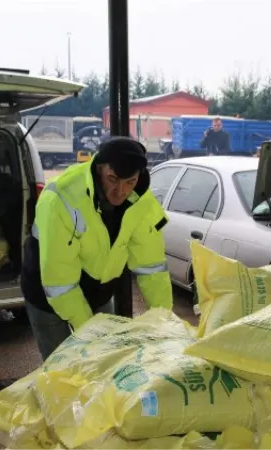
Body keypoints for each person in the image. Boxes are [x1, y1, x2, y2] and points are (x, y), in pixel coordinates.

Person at [21, 137, 173, 360]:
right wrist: (91, 334)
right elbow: (60, 282)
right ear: (99, 168)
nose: (120, 191)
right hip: (48, 291)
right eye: (113, 179)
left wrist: (164, 322)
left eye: (129, 181)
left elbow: (151, 268)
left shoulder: (142, 201)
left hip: (99, 289)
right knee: (62, 368)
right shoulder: (62, 198)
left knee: (105, 361)